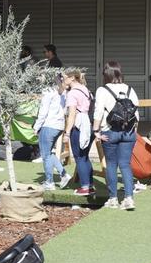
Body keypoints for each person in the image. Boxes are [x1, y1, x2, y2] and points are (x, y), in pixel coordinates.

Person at [94, 60, 140, 210]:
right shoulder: (130, 89)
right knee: (125, 165)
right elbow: (136, 113)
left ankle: (113, 199)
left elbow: (98, 112)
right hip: (128, 132)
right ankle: (129, 199)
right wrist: (134, 130)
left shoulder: (102, 90)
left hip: (110, 132)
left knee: (112, 165)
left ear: (105, 74)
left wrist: (96, 131)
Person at [62, 68, 94, 196]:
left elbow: (71, 114)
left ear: (72, 78)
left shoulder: (72, 93)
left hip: (79, 126)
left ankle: (85, 187)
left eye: (65, 77)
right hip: (88, 125)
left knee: (79, 157)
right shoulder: (84, 89)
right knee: (85, 156)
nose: (63, 79)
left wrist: (67, 132)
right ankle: (90, 185)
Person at [33, 74, 68, 190]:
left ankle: (49, 181)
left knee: (45, 155)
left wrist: (36, 126)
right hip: (59, 125)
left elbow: (43, 111)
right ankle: (64, 174)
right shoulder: (63, 92)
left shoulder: (48, 92)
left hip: (48, 125)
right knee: (49, 153)